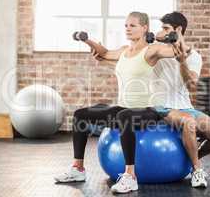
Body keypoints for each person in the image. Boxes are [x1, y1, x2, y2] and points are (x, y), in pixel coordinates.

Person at [54, 11, 186, 190]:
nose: (128, 29)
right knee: (80, 115)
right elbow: (105, 53)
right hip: (124, 108)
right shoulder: (125, 51)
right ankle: (78, 168)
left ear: (144, 28)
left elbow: (175, 52)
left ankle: (130, 177)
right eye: (126, 25)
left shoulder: (151, 50)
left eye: (132, 26)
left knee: (124, 116)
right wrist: (86, 40)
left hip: (148, 110)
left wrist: (174, 38)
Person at [108, 12, 210, 193]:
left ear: (178, 30)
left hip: (185, 106)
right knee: (188, 122)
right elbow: (132, 55)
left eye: (165, 28)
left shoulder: (194, 56)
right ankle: (197, 170)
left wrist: (181, 62)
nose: (160, 31)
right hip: (162, 106)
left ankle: (186, 159)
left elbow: (192, 84)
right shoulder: (155, 49)